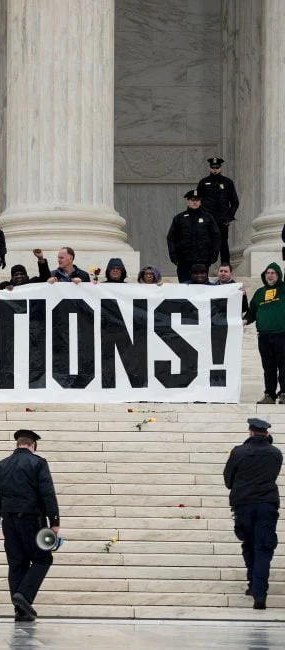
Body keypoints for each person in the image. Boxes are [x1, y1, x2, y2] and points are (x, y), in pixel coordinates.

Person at [0, 429, 60, 622]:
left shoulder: (1, 465)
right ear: (33, 445)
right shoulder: (38, 463)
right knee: (43, 559)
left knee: (17, 564)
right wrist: (54, 521)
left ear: (17, 444)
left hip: (8, 522)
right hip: (31, 520)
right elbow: (47, 493)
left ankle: (21, 612)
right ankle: (24, 596)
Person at [223, 418, 282, 610]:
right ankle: (259, 592)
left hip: (243, 505)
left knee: (249, 544)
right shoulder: (275, 453)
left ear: (250, 432)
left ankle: (253, 585)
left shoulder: (239, 452)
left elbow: (228, 480)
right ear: (266, 434)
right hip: (266, 505)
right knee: (263, 547)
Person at [243, 262, 285, 404]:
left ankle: (284, 393)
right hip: (264, 336)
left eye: (273, 272)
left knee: (284, 365)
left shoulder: (284, 289)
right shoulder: (260, 292)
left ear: (278, 275)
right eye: (268, 273)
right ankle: (270, 394)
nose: (270, 275)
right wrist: (245, 321)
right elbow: (252, 312)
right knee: (268, 367)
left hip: (282, 334)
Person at [166, 189, 221, 283]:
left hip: (202, 260)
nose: (195, 202)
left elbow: (216, 236)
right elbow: (171, 238)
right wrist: (173, 256)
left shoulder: (208, 218)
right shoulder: (179, 218)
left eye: (197, 200)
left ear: (200, 202)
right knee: (184, 287)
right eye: (192, 200)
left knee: (201, 289)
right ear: (188, 201)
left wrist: (214, 255)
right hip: (184, 260)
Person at [197, 157, 240, 265]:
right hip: (207, 220)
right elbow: (197, 200)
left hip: (222, 220)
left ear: (220, 168)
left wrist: (229, 217)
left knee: (223, 244)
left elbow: (235, 202)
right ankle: (203, 269)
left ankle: (225, 267)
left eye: (217, 167)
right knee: (205, 244)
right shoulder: (203, 182)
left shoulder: (228, 182)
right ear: (210, 168)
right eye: (213, 167)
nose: (215, 169)